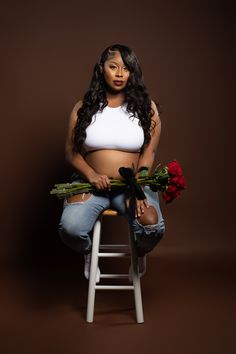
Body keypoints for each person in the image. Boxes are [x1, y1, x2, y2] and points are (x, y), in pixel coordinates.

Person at [58, 44, 165, 283]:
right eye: (113, 66)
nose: (119, 73)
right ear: (101, 69)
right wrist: (91, 175)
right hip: (92, 185)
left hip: (130, 185)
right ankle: (88, 254)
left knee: (151, 228)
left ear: (132, 72)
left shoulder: (147, 109)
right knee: (71, 229)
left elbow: (149, 153)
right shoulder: (84, 108)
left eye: (125, 68)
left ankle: (140, 251)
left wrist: (138, 187)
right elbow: (70, 151)